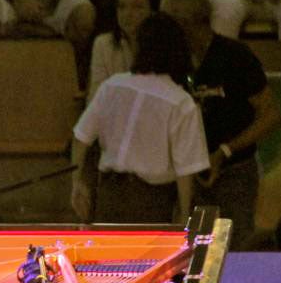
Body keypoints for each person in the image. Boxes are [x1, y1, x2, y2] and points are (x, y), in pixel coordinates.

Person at [160, 0, 281, 247]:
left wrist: (224, 151)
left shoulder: (235, 56)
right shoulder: (170, 61)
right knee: (188, 249)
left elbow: (270, 115)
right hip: (187, 172)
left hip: (235, 170)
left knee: (237, 247)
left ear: (187, 24)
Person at [71, 13, 211, 223]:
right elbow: (185, 169)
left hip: (109, 193)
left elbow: (81, 138)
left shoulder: (112, 86)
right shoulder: (180, 102)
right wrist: (183, 213)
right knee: (149, 257)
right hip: (152, 200)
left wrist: (77, 182)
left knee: (109, 256)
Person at [88, 0, 152, 99]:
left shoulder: (163, 44)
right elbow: (96, 97)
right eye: (121, 7)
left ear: (152, 10)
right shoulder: (103, 43)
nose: (128, 13)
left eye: (137, 6)